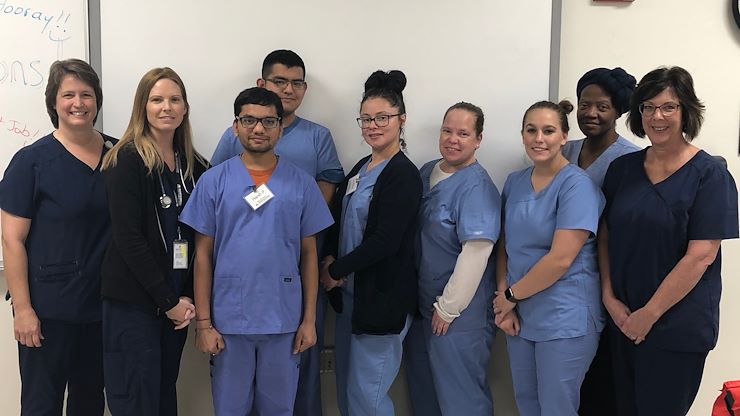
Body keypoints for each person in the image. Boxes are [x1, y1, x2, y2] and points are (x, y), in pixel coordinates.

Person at [180, 87, 333, 416]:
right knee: (230, 408)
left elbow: (309, 255)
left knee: (279, 409)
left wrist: (308, 321)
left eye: (268, 121)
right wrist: (204, 324)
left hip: (284, 322)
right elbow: (202, 256)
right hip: (228, 321)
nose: (258, 129)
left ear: (280, 127)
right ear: (235, 126)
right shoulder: (213, 182)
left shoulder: (301, 183)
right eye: (249, 120)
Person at [210, 49, 343, 416]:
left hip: (293, 268)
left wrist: (296, 216)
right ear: (262, 83)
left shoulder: (316, 138)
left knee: (294, 375)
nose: (288, 89)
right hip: (237, 280)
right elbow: (218, 186)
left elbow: (328, 184)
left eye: (296, 82)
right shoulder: (232, 140)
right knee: (234, 394)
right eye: (279, 81)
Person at [600, 66, 738, 416]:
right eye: (647, 107)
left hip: (676, 328)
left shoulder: (710, 175)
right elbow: (605, 235)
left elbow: (701, 256)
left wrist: (649, 315)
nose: (656, 116)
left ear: (686, 111)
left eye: (668, 107)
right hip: (622, 320)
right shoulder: (622, 170)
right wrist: (609, 296)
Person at [0, 58, 114, 416]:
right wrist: (24, 311)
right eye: (68, 95)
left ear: (97, 100)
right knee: (41, 404)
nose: (78, 103)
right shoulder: (30, 162)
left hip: (102, 309)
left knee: (90, 402)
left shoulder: (119, 156)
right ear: (53, 102)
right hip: (47, 312)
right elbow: (11, 241)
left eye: (86, 94)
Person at [100, 67, 208, 416]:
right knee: (136, 400)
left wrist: (187, 294)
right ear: (142, 107)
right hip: (135, 305)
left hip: (174, 305)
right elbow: (129, 239)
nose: (167, 107)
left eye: (175, 99)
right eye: (157, 99)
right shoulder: (126, 160)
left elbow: (191, 240)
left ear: (185, 108)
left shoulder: (193, 166)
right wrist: (167, 300)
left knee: (163, 396)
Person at [492, 100, 605, 416]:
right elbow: (504, 245)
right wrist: (503, 298)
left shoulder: (576, 186)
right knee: (527, 404)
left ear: (564, 137)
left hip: (565, 317)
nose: (538, 138)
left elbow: (560, 259)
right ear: (523, 135)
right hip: (519, 315)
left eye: (548, 130)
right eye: (531, 130)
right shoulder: (514, 182)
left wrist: (511, 296)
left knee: (557, 409)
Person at [320, 70, 422, 416]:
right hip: (353, 300)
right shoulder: (362, 167)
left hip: (382, 300)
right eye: (366, 118)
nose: (373, 125)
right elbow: (339, 219)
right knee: (351, 392)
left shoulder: (402, 174)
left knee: (369, 395)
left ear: (401, 120)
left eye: (383, 117)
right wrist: (330, 257)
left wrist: (335, 269)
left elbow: (385, 241)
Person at [562, 67, 639, 416]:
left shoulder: (631, 158)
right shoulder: (563, 149)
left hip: (603, 279)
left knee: (598, 386)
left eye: (602, 107)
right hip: (559, 280)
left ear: (619, 111)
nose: (590, 113)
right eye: (584, 104)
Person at [416, 102, 500, 415]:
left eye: (463, 133)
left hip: (459, 315)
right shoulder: (427, 172)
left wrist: (449, 308)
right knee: (428, 396)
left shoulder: (477, 186)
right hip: (424, 304)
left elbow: (476, 253)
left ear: (478, 139)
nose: (453, 139)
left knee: (461, 400)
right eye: (447, 130)